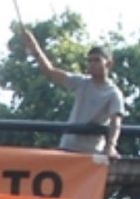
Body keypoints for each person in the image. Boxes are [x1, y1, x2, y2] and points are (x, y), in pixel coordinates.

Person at [22, 29, 124, 157]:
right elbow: (50, 71)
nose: (92, 64)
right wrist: (34, 46)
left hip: (91, 151)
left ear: (108, 63)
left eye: (96, 60)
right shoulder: (82, 82)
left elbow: (116, 122)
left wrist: (111, 147)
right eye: (90, 60)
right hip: (67, 147)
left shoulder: (113, 93)